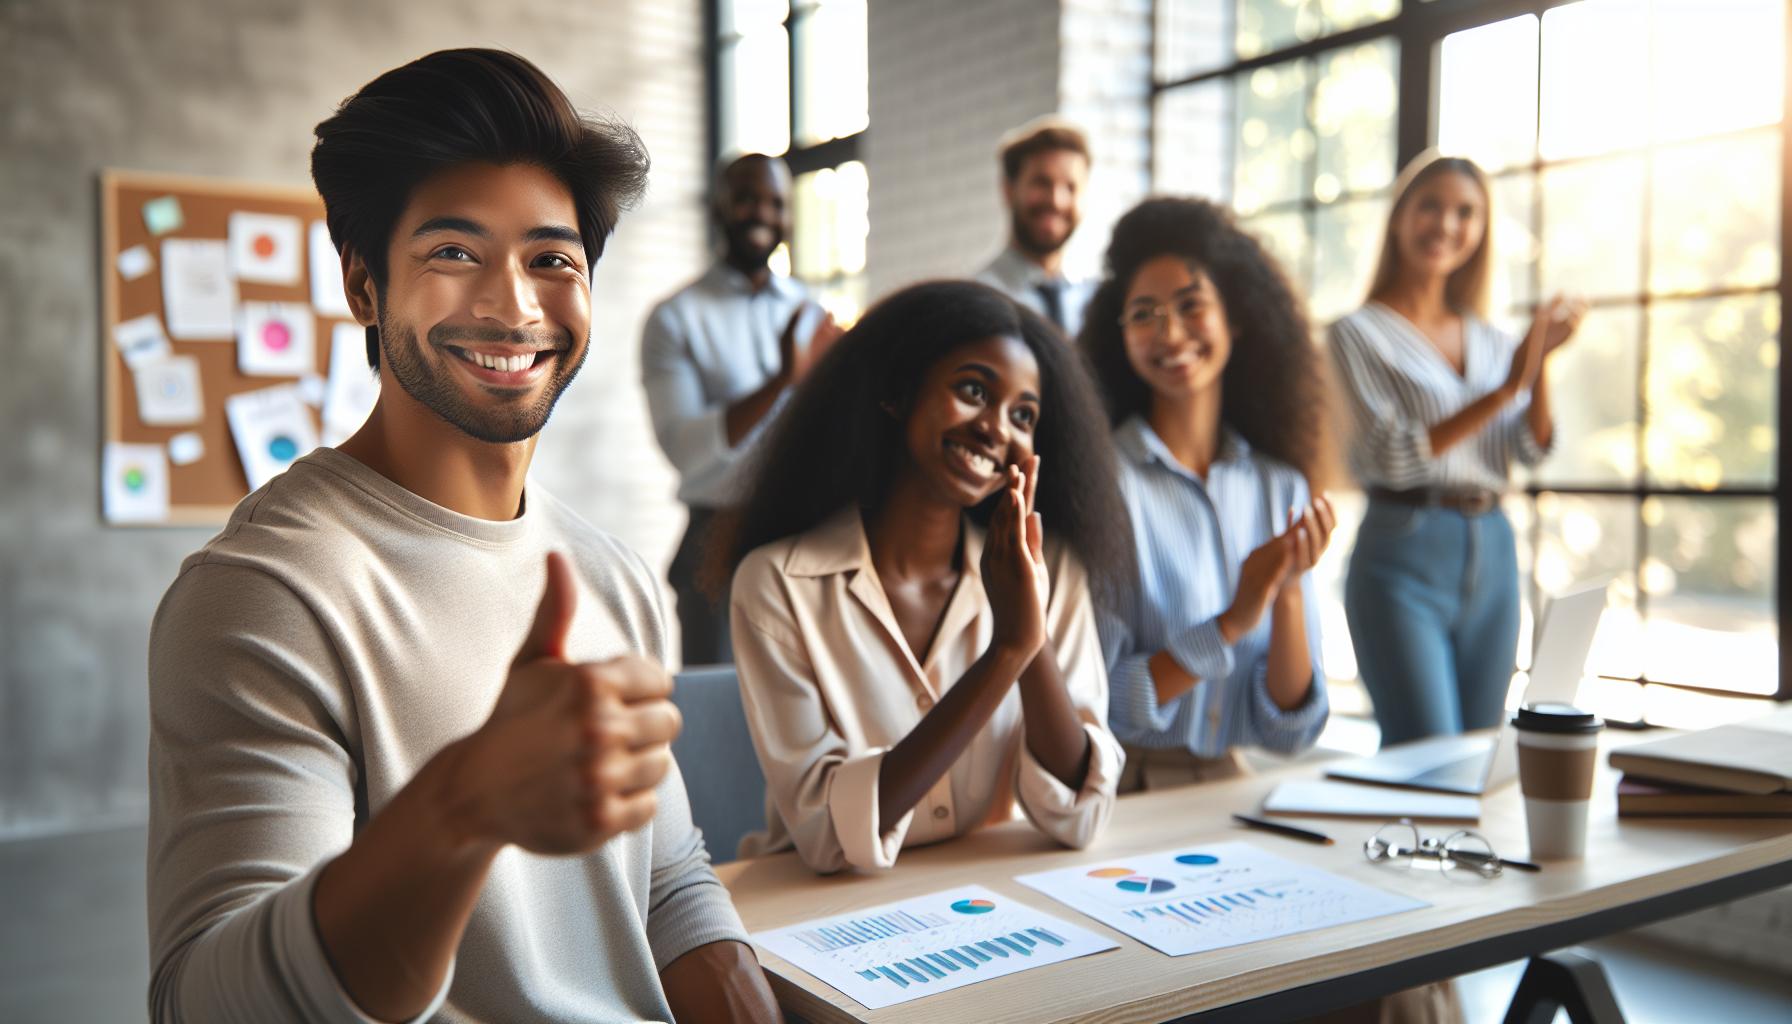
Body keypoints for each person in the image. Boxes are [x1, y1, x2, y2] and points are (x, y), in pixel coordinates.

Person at [146, 50, 778, 1023]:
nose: (513, 304)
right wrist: (465, 804)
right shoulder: (268, 591)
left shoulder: (614, 577)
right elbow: (209, 1000)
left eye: (551, 259)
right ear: (363, 286)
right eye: (453, 252)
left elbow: (665, 883)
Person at [720, 280, 1131, 873]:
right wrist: (1008, 652)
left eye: (1023, 415)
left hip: (986, 899)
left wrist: (1030, 637)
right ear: (897, 392)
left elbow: (1080, 813)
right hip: (814, 912)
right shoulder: (777, 584)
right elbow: (833, 838)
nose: (996, 428)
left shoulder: (1052, 569)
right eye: (972, 390)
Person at [1330, 151, 1585, 747]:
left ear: (1481, 230)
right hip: (1403, 547)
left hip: (1494, 546)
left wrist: (1537, 359)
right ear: (1400, 217)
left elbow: (1531, 449)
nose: (1446, 224)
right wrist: (1506, 387)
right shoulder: (1357, 333)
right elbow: (1393, 455)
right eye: (1431, 207)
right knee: (1426, 755)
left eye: (1465, 212)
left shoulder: (1493, 338)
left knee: (1478, 754)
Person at [1080, 197, 1334, 789]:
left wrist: (1288, 593)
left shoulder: (1281, 486)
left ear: (1236, 318)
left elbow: (1291, 730)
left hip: (1232, 786)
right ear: (1119, 336)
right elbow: (1101, 700)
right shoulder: (1104, 484)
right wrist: (1231, 623)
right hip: (1129, 791)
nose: (1169, 332)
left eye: (1191, 305)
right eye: (1144, 313)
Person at [642, 153, 843, 666]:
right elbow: (686, 450)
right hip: (717, 547)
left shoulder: (813, 314)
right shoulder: (674, 319)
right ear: (719, 207)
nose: (761, 212)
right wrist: (782, 382)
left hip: (807, 536)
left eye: (776, 202)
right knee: (720, 719)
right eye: (747, 197)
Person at [975, 117, 1095, 339]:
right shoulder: (978, 300)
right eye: (1042, 183)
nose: (1056, 201)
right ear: (1008, 191)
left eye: (1070, 187)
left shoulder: (1097, 300)